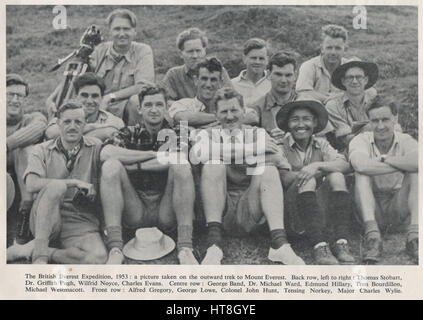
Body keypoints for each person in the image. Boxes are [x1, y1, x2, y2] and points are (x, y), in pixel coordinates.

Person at [192, 87, 305, 265]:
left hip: (251, 206)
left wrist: (221, 152)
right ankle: (214, 244)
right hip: (220, 207)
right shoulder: (206, 134)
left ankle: (279, 244)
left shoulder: (257, 132)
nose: (229, 116)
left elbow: (276, 157)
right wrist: (253, 151)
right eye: (224, 111)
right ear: (215, 114)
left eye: (234, 110)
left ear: (244, 112)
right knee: (213, 166)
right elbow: (199, 154)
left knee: (267, 170)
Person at [99, 85, 198, 265]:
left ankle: (185, 247)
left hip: (166, 206)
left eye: (159, 104)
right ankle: (115, 248)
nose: (154, 110)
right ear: (139, 109)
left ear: (166, 108)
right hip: (134, 206)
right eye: (148, 105)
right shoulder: (128, 132)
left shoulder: (179, 132)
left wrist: (133, 165)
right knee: (110, 166)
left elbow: (179, 158)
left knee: (181, 166)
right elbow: (106, 153)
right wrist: (153, 155)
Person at [7, 102, 107, 264]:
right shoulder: (41, 150)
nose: (72, 127)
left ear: (85, 124)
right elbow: (31, 184)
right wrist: (73, 182)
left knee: (98, 258)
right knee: (56, 186)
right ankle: (40, 257)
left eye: (78, 122)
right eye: (67, 122)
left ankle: (33, 250)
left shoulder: (95, 146)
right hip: (45, 217)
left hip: (78, 219)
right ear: (58, 123)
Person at [275, 99, 355, 264]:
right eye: (295, 119)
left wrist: (317, 165)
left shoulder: (321, 144)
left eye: (306, 119)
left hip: (319, 207)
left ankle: (341, 240)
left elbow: (345, 165)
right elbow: (283, 177)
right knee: (309, 180)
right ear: (288, 124)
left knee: (337, 175)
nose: (301, 124)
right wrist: (310, 174)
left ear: (315, 123)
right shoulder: (280, 146)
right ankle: (318, 244)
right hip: (293, 211)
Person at [46, 8, 154, 125]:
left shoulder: (143, 50)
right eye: (117, 29)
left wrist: (109, 97)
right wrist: (51, 98)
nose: (122, 33)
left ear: (134, 32)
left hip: (125, 106)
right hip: (96, 105)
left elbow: (143, 86)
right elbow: (77, 77)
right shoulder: (99, 50)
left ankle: (134, 138)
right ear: (110, 32)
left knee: (136, 101)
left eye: (126, 29)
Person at [349, 96, 418, 263]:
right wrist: (403, 164)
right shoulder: (361, 139)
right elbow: (361, 165)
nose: (380, 126)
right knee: (361, 174)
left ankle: (415, 237)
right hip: (371, 208)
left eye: (385, 119)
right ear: (369, 121)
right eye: (375, 121)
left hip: (398, 205)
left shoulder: (406, 140)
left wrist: (384, 159)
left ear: (395, 118)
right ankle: (373, 238)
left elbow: (418, 162)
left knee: (417, 173)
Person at [6, 74, 48, 244]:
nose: (15, 100)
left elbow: (39, 127)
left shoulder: (33, 118)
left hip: (22, 186)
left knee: (23, 149)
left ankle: (26, 214)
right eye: (10, 94)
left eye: (20, 96)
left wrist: (6, 145)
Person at [160, 28, 232, 106]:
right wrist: (190, 107)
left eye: (198, 51)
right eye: (190, 51)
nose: (195, 56)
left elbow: (231, 97)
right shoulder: (174, 74)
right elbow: (164, 100)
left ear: (204, 51)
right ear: (181, 54)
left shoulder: (218, 71)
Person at [45, 72, 124, 141]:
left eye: (95, 96)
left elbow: (114, 133)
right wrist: (88, 128)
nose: (89, 101)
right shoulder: (65, 114)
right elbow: (51, 133)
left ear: (101, 98)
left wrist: (72, 133)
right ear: (76, 96)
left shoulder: (114, 121)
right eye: (84, 95)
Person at [296, 24, 361, 103]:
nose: (333, 52)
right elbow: (303, 93)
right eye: (329, 48)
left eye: (338, 48)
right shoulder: (309, 66)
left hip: (342, 111)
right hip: (316, 111)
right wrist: (332, 100)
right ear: (322, 49)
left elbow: (363, 91)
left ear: (345, 49)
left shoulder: (350, 66)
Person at [248, 51, 298, 143]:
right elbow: (248, 141)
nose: (283, 80)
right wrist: (267, 138)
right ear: (268, 74)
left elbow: (323, 138)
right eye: (278, 74)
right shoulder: (256, 108)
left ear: (295, 76)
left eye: (288, 75)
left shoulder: (307, 103)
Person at [168, 57, 224, 129]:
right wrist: (222, 118)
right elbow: (183, 118)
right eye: (204, 79)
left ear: (220, 83)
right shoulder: (182, 104)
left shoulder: (227, 106)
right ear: (196, 80)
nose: (208, 85)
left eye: (213, 80)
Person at [231, 38, 271, 106]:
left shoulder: (273, 83)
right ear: (244, 58)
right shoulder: (232, 85)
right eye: (253, 58)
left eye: (261, 58)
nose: (257, 62)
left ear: (267, 60)